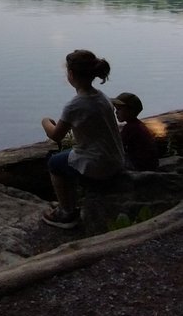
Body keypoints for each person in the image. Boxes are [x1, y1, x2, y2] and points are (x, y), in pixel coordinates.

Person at [41, 49, 126, 229]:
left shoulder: (75, 105)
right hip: (116, 160)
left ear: (71, 74)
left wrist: (45, 122)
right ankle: (73, 201)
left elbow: (55, 135)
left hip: (98, 166)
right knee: (68, 157)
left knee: (54, 163)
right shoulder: (103, 97)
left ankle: (66, 213)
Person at [113, 91, 159, 172]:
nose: (116, 112)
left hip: (140, 167)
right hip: (150, 164)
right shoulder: (138, 125)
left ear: (130, 111)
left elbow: (117, 145)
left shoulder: (131, 128)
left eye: (119, 109)